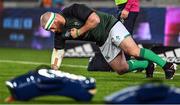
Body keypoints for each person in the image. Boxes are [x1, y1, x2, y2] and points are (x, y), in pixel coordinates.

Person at [40, 3, 176, 79]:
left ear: (56, 19)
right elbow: (58, 51)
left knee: (132, 50)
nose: (51, 31)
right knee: (121, 69)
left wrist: (79, 32)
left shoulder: (73, 9)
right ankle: (147, 65)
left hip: (109, 25)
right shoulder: (59, 33)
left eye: (50, 28)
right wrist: (54, 69)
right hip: (102, 40)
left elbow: (95, 20)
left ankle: (167, 65)